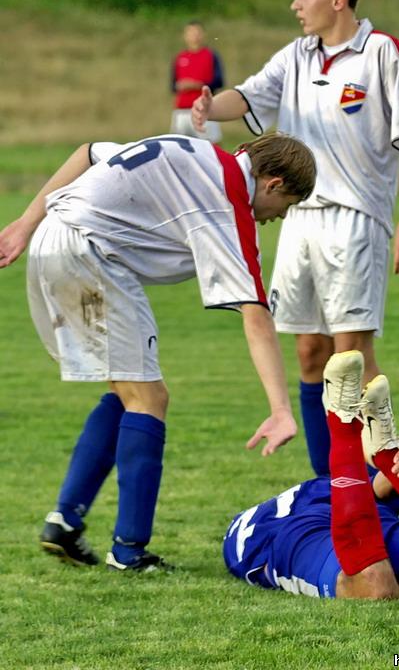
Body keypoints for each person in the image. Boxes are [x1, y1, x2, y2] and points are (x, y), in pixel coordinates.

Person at [0, 132, 316, 572]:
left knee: (129, 392)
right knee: (150, 399)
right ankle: (129, 550)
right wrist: (281, 409)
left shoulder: (198, 151)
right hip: (89, 252)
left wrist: (25, 223)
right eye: (286, 206)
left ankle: (64, 524)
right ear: (273, 184)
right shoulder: (228, 202)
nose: (276, 218)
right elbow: (255, 312)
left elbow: (88, 152)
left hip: (57, 239)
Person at [192, 0, 399, 485]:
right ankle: (329, 485)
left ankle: (382, 486)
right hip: (299, 220)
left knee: (351, 359)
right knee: (309, 353)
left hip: (356, 219)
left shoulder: (383, 53)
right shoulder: (298, 55)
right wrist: (211, 107)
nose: (294, 5)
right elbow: (251, 95)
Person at [224, 351, 399, 599]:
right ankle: (343, 422)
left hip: (341, 503)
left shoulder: (349, 494)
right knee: (375, 586)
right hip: (284, 531)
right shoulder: (262, 537)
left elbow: (375, 490)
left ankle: (383, 446)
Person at [170, 20, 224, 143]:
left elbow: (219, 82)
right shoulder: (180, 58)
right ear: (185, 36)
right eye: (191, 33)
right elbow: (173, 85)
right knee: (180, 148)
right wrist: (180, 85)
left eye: (197, 32)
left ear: (203, 34)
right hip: (182, 111)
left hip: (203, 110)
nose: (194, 36)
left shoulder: (211, 56)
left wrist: (196, 85)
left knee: (211, 148)